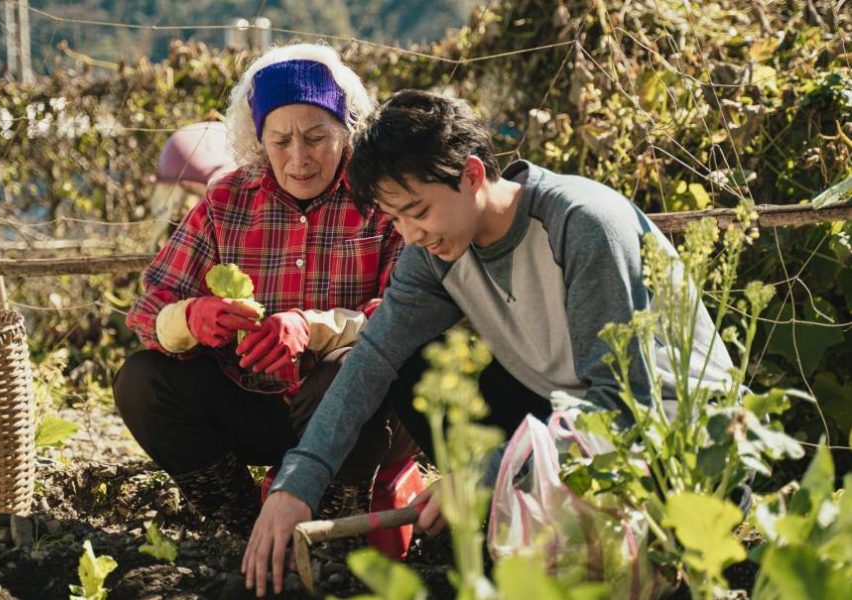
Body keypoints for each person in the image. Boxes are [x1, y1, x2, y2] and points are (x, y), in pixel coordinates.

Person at [241, 89, 734, 595]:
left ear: (472, 175)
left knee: (566, 579)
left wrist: (483, 474)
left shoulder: (582, 226)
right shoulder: (435, 252)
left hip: (675, 440)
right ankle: (516, 521)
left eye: (418, 211)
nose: (410, 235)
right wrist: (297, 484)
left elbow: (620, 405)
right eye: (395, 221)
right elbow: (373, 358)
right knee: (410, 360)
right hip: (563, 421)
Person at [113, 44, 421, 538]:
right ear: (259, 141)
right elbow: (150, 307)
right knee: (142, 380)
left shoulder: (379, 200)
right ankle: (241, 524)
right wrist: (190, 318)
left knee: (351, 371)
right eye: (280, 141)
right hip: (257, 406)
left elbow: (405, 315)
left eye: (316, 137)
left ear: (346, 133)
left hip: (360, 418)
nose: (299, 158)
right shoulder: (227, 199)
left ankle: (331, 530)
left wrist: (312, 327)